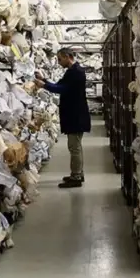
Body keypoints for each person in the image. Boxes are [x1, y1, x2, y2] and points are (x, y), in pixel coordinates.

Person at [34, 47, 91, 188]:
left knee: (74, 147)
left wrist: (44, 85)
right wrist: (44, 80)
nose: (59, 63)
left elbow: (62, 89)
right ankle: (78, 173)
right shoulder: (72, 71)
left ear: (67, 56)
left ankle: (76, 177)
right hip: (74, 115)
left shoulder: (76, 73)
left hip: (76, 116)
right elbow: (60, 85)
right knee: (75, 147)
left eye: (60, 59)